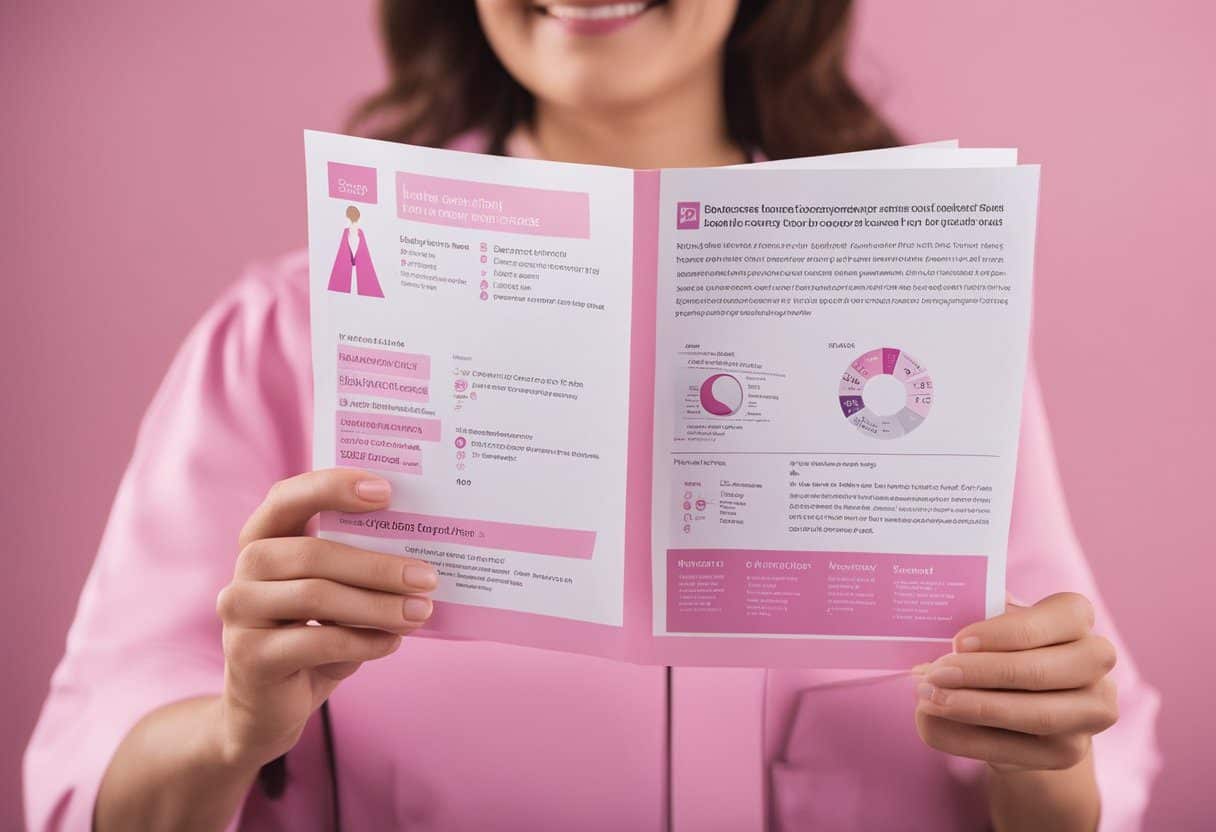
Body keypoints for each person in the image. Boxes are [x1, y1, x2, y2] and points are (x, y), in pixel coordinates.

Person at [24, 2, 1160, 830]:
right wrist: (233, 729)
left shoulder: (927, 335)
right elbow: (86, 793)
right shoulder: (284, 337)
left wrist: (1046, 760)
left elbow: (1094, 765)